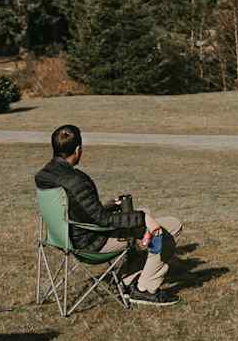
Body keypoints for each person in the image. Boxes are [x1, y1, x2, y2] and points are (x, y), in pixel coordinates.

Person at [35, 124, 183, 307]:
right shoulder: (77, 180)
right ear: (78, 149)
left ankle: (128, 279)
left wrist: (110, 206)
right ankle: (145, 289)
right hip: (91, 244)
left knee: (143, 215)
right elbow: (102, 220)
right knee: (170, 227)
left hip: (64, 237)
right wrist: (143, 218)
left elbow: (78, 210)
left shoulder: (44, 175)